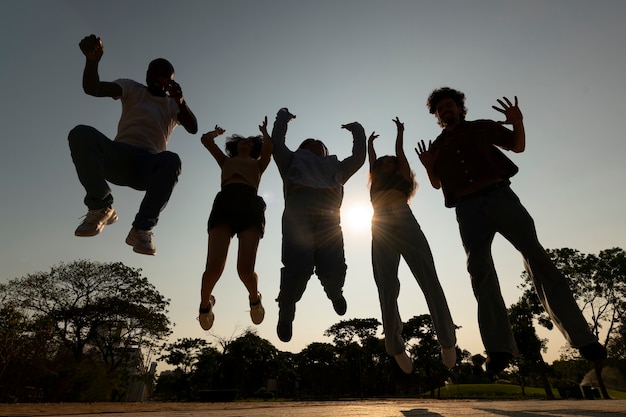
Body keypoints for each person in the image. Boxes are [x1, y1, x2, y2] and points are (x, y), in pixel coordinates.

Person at [416, 87, 607, 374]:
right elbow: (437, 184)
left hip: (500, 197)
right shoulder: (438, 147)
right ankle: (499, 350)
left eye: (450, 105)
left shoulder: (482, 128)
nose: (446, 110)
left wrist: (517, 122)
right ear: (437, 116)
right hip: (467, 210)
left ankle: (583, 339)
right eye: (440, 109)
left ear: (459, 108)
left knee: (537, 259)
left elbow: (517, 147)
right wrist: (429, 168)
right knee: (480, 272)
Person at [68, 34, 198, 255]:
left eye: (163, 75)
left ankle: (142, 228)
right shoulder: (132, 88)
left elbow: (193, 127)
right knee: (81, 133)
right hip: (117, 157)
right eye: (153, 73)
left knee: (172, 160)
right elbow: (94, 89)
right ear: (146, 74)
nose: (157, 78)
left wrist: (180, 101)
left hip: (147, 166)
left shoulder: (171, 105)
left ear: (170, 81)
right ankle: (101, 206)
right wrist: (92, 62)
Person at [368, 117, 457, 374]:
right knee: (386, 286)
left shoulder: (403, 176)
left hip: (404, 220)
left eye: (390, 162)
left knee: (428, 278)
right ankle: (395, 348)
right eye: (381, 161)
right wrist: (368, 144)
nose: (386, 163)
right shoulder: (375, 180)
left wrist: (399, 132)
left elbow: (400, 154)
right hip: (380, 225)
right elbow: (371, 160)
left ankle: (447, 341)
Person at [270, 108, 366, 342]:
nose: (314, 145)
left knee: (333, 264)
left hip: (329, 218)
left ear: (326, 152)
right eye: (308, 144)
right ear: (300, 150)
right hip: (299, 214)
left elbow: (359, 158)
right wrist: (283, 117)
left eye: (319, 145)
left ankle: (335, 292)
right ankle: (287, 310)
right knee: (297, 267)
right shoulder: (292, 160)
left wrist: (357, 131)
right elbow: (277, 143)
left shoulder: (336, 166)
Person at [197, 119, 272, 330]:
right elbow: (205, 140)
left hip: (250, 204)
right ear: (235, 146)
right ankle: (205, 305)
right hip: (225, 202)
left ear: (254, 148)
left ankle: (255, 299)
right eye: (242, 141)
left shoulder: (259, 164)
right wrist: (216, 133)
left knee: (245, 270)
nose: (245, 143)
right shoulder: (225, 161)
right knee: (213, 268)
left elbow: (269, 149)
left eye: (250, 142)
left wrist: (265, 133)